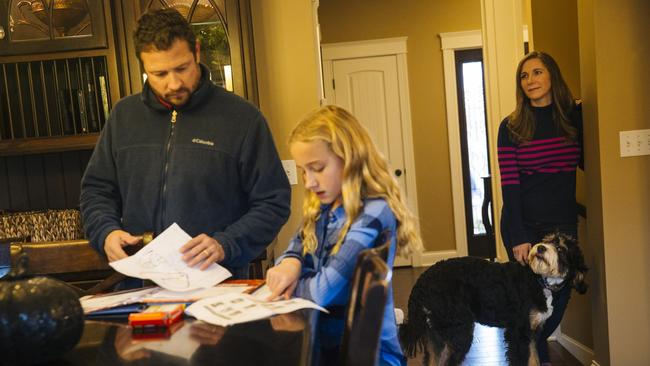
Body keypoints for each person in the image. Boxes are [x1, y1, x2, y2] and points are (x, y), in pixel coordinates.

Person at [80, 8, 291, 279]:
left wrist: (225, 243)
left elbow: (273, 201)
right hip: (140, 285)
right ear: (143, 67)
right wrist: (105, 232)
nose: (174, 83)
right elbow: (96, 191)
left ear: (197, 52)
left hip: (217, 284)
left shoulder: (243, 119)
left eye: (182, 68)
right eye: (159, 73)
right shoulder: (123, 117)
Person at [265, 105, 423, 366]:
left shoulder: (374, 213)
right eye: (304, 170)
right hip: (326, 344)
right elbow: (296, 245)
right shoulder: (323, 207)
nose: (308, 182)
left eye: (317, 168)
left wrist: (291, 284)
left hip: (368, 356)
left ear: (349, 158)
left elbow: (323, 291)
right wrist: (291, 262)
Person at [497, 51, 583, 366]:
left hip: (562, 225)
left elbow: (592, 162)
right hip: (524, 225)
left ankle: (530, 351)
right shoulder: (511, 126)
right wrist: (519, 235)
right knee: (529, 301)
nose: (530, 81)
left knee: (558, 298)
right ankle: (534, 359)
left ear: (552, 77)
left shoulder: (573, 120)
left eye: (537, 73)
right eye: (524, 76)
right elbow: (510, 185)